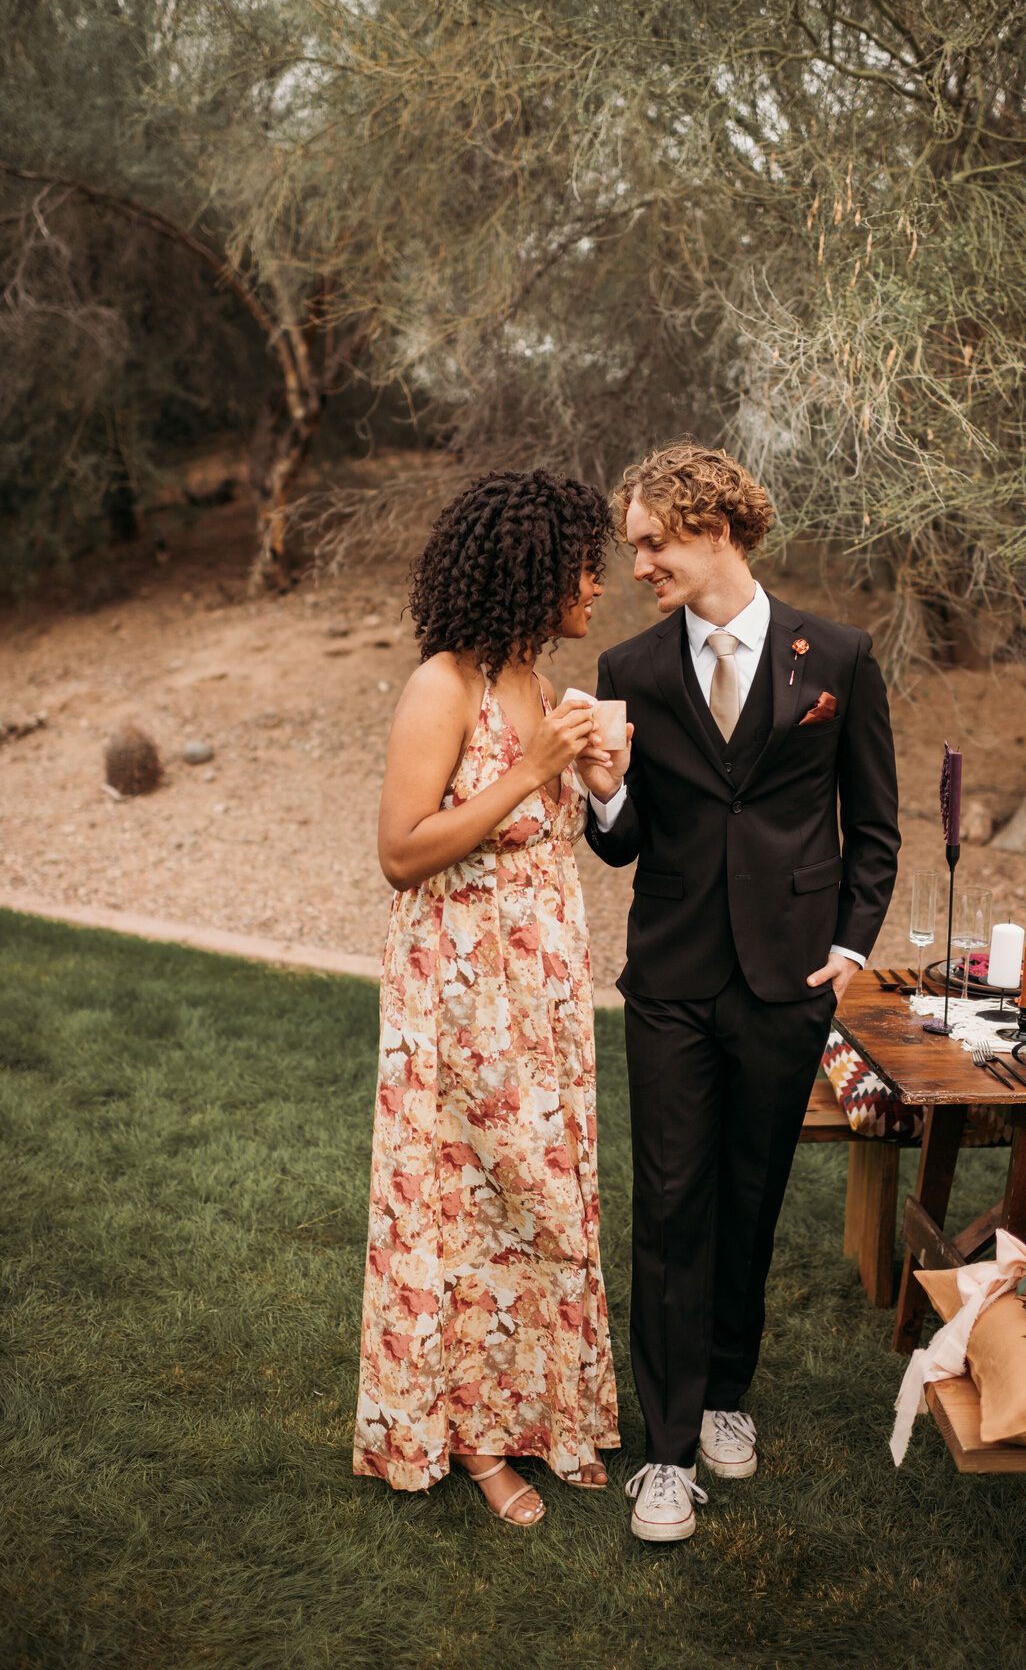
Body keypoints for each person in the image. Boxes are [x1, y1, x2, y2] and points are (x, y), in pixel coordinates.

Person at [575, 441, 900, 1542]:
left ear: (713, 529)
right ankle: (665, 1454)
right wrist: (610, 795)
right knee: (669, 1202)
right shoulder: (631, 671)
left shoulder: (840, 657)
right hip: (670, 973)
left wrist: (851, 947)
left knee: (750, 1195)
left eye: (653, 544)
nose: (640, 567)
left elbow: (875, 823)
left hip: (786, 977)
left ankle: (724, 1394)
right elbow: (618, 842)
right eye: (634, 550)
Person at [353, 468, 620, 1527]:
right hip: (457, 994)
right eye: (585, 566)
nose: (599, 585)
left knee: (541, 1200)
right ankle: (467, 1438)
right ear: (536, 567)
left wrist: (595, 776)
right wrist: (526, 775)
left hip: (541, 988)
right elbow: (400, 854)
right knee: (463, 1210)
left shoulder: (541, 686)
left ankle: (545, 1410)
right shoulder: (444, 685)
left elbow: (548, 842)